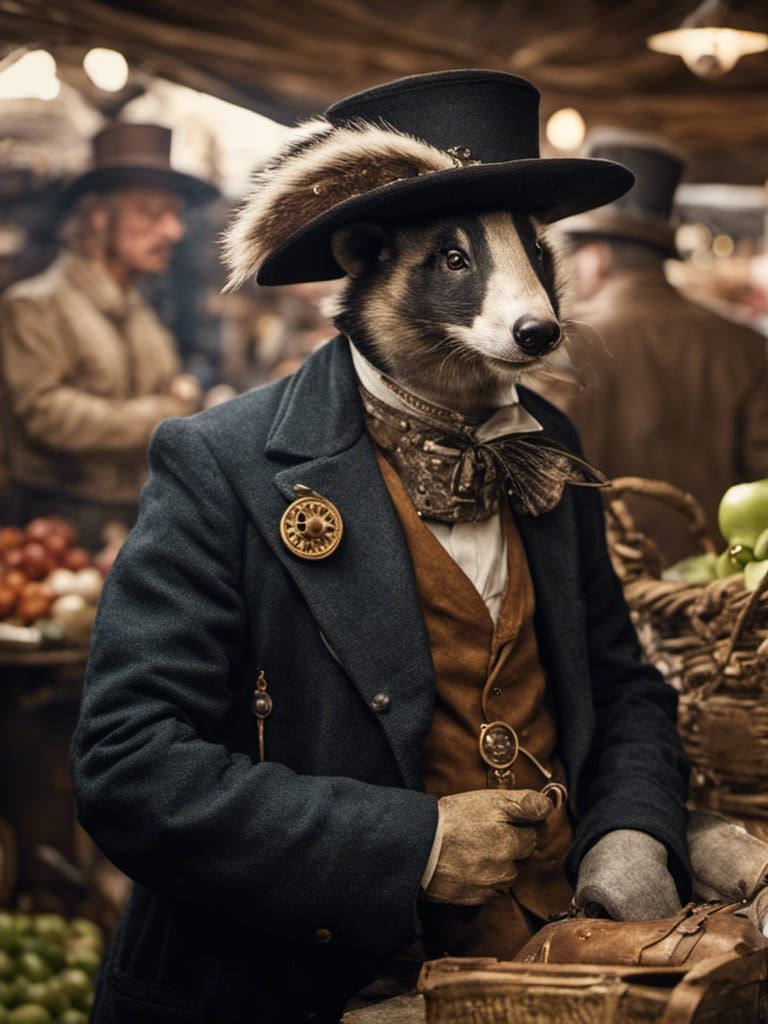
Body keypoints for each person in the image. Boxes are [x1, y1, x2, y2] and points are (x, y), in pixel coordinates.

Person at [71, 71, 691, 1024]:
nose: (531, 304)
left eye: (530, 250)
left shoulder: (549, 443)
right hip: (312, 984)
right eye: (455, 258)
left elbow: (621, 684)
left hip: (555, 964)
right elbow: (129, 765)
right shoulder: (221, 463)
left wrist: (632, 831)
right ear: (365, 259)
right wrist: (412, 847)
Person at [551, 130, 768, 563]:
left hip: (611, 583)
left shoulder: (566, 346)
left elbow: (553, 490)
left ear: (597, 256)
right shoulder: (741, 344)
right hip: (719, 579)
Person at [0, 123, 217, 546]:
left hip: (138, 518)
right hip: (59, 532)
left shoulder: (141, 311)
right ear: (99, 219)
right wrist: (167, 413)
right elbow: (46, 415)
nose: (173, 231)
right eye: (151, 213)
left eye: (174, 215)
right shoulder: (34, 305)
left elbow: (173, 385)